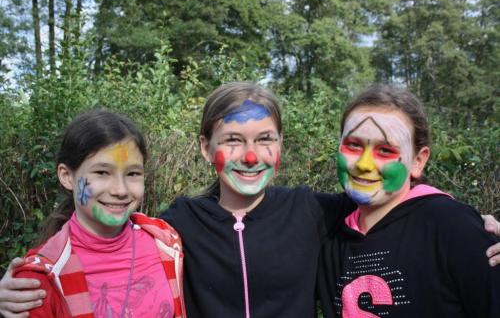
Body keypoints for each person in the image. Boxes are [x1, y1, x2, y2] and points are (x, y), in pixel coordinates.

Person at [1, 82, 499, 318]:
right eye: (232, 140)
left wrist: (465, 219)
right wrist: (14, 289)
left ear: (281, 146)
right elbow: (99, 241)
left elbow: (389, 204)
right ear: (205, 147)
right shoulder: (176, 227)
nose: (250, 155)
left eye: (266, 139)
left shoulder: (312, 210)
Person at [316, 84, 500, 317]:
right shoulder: (326, 230)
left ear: (418, 161)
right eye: (353, 145)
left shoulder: (451, 227)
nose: (364, 164)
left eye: (384, 151)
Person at [4, 110, 186, 318]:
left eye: (133, 173)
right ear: (67, 176)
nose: (120, 190)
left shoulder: (165, 241)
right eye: (101, 172)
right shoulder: (38, 280)